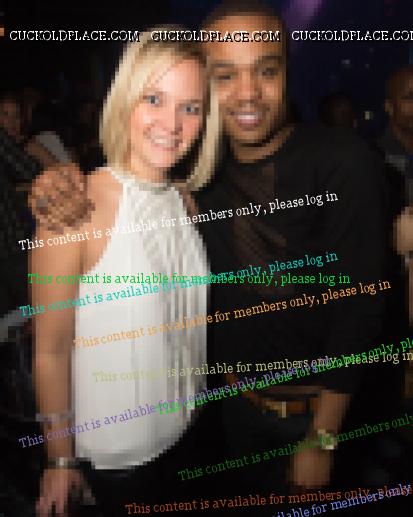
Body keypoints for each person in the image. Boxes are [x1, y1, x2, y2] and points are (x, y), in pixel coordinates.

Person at [30, 0, 386, 506]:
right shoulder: (193, 180)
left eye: (266, 71)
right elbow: (52, 343)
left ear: (287, 72)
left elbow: (361, 307)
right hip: (222, 417)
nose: (248, 92)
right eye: (225, 76)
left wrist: (324, 436)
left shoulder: (340, 163)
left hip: (307, 420)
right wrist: (53, 181)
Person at [31, 31, 219, 516]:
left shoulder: (184, 200)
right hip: (122, 463)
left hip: (193, 432)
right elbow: (49, 350)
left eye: (190, 108)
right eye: (154, 99)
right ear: (125, 100)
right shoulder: (75, 209)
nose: (171, 124)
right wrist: (60, 459)